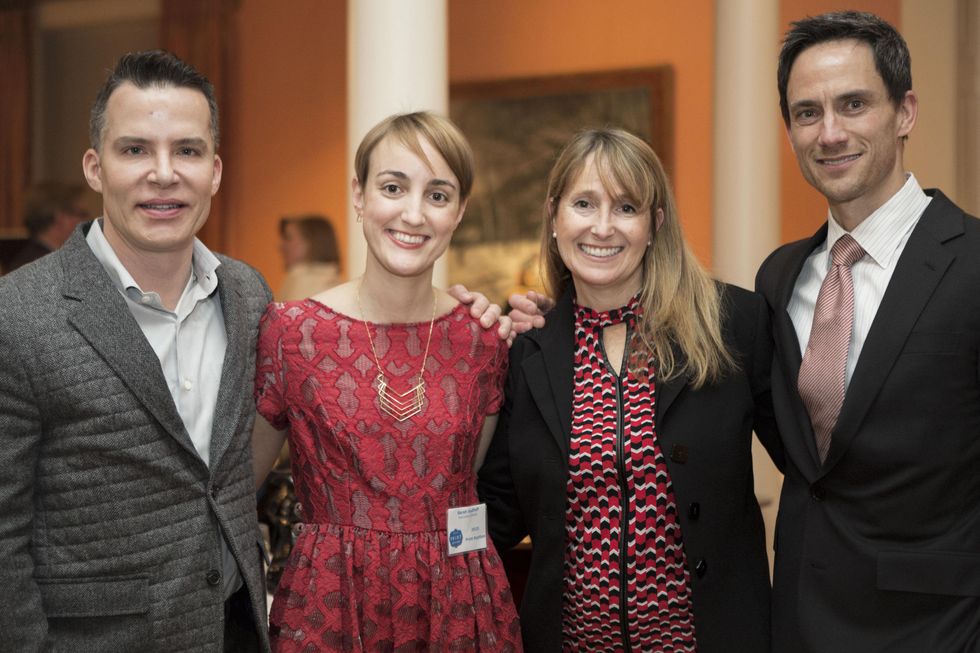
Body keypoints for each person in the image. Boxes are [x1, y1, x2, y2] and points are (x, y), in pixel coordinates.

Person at [0, 51, 271, 651]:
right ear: (94, 169)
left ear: (216, 171)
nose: (164, 173)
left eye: (188, 150)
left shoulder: (249, 295)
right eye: (135, 150)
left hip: (232, 630)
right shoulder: (14, 315)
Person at [479, 128, 782, 651]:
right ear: (554, 218)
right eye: (583, 203)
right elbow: (497, 515)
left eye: (625, 207)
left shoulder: (732, 324)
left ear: (654, 224)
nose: (602, 227)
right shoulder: (528, 352)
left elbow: (809, 470)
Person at [252, 111, 523, 652]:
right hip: (331, 603)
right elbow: (238, 488)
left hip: (458, 604)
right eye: (393, 187)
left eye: (438, 194)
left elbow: (467, 484)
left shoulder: (483, 340)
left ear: (460, 211)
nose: (413, 213)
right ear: (359, 195)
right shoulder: (291, 333)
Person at [755, 11, 980, 651]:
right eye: (806, 112)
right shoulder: (779, 278)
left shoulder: (974, 264)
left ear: (904, 111)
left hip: (939, 627)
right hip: (799, 616)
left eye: (853, 104)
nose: (830, 133)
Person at [6, 181, 89, 272]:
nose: (87, 220)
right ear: (60, 218)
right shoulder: (45, 267)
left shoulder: (29, 259)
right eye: (82, 214)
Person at [276, 213, 341, 300]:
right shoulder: (335, 284)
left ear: (310, 242)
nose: (281, 246)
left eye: (288, 238)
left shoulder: (303, 284)